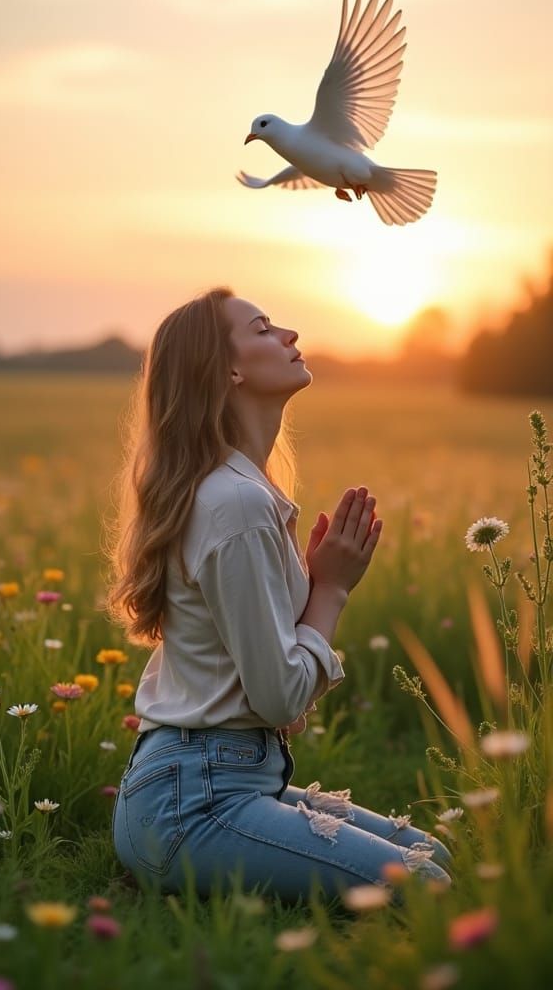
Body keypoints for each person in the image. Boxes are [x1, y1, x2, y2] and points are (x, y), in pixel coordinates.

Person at [106, 286, 451, 904]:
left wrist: (317, 586)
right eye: (263, 329)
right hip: (193, 804)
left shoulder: (243, 489)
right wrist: (332, 590)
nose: (289, 334)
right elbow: (277, 697)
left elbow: (269, 690)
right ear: (228, 370)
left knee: (435, 855)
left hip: (217, 782)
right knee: (425, 883)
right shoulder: (233, 501)